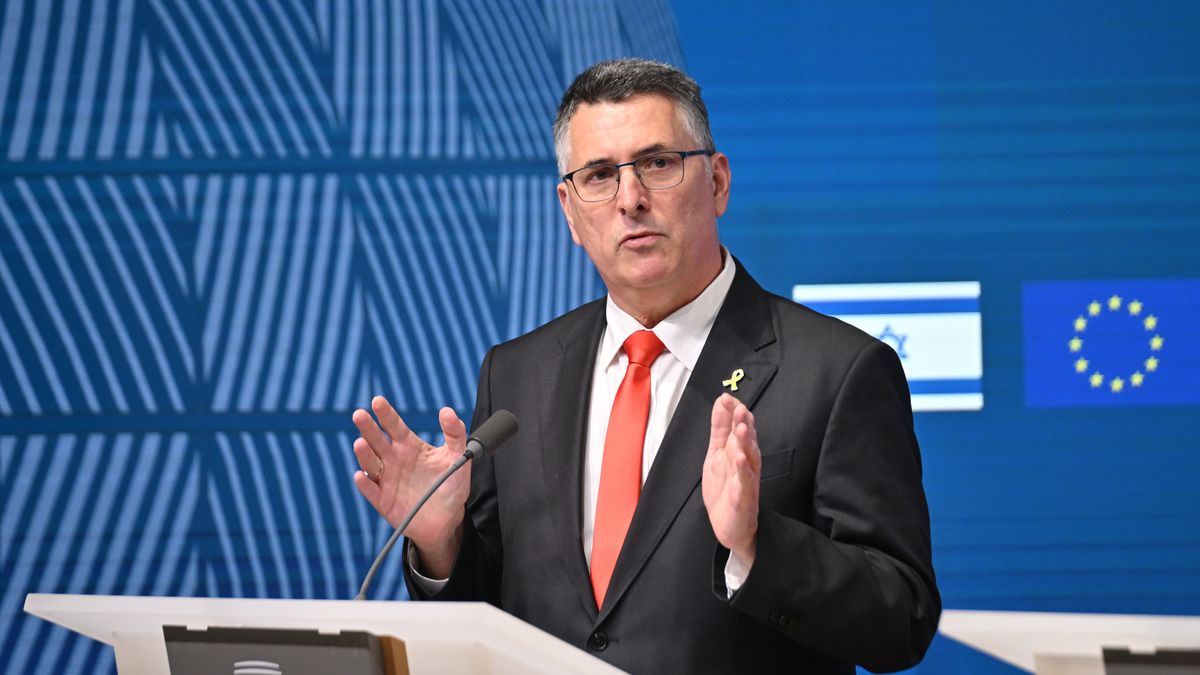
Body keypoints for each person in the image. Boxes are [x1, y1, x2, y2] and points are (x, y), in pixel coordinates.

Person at [351, 58, 940, 674]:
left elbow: (901, 617)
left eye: (658, 164)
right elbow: (494, 614)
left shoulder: (837, 371)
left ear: (717, 182)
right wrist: (443, 545)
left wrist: (756, 545)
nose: (630, 200)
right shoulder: (517, 375)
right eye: (600, 175)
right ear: (570, 212)